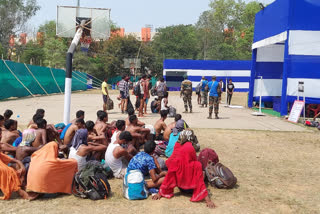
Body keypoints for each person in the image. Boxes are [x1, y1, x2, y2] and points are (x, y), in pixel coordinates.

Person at [152, 132, 216, 208]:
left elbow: (169, 178)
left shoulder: (176, 157)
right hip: (191, 190)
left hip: (181, 187)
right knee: (201, 171)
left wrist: (160, 193)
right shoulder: (196, 165)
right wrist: (208, 200)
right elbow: (200, 182)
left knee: (172, 170)